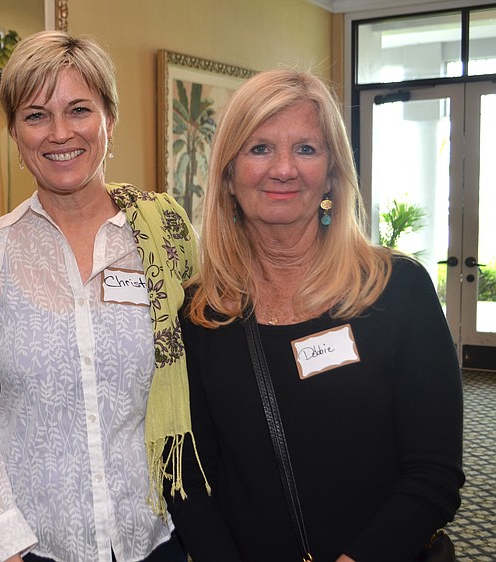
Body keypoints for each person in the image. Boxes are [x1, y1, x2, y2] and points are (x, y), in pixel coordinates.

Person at [167, 69, 465, 561]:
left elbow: (434, 474)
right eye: (259, 148)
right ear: (228, 174)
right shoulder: (200, 314)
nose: (283, 169)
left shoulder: (398, 290)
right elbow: (189, 481)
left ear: (331, 172)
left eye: (306, 149)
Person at [0, 30, 201, 562]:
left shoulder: (163, 234)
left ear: (110, 120)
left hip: (160, 535)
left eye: (79, 109)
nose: (59, 132)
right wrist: (5, 543)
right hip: (38, 545)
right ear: (15, 135)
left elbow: (201, 380)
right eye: (36, 115)